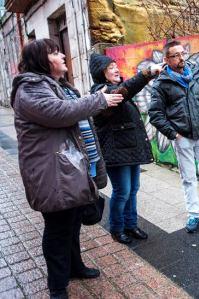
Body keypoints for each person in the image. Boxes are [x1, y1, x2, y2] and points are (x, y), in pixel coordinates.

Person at [10, 39, 124, 299]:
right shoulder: (31, 88)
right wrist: (99, 100)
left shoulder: (58, 85)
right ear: (42, 60)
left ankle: (75, 267)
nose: (62, 55)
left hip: (68, 167)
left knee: (72, 223)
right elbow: (60, 112)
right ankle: (57, 287)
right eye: (54, 52)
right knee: (58, 228)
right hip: (51, 171)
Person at [148, 40, 199, 233]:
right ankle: (194, 214)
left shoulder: (197, 76)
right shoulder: (161, 83)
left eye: (182, 53)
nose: (181, 58)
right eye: (176, 55)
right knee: (188, 178)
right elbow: (155, 114)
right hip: (182, 137)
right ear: (166, 59)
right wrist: (173, 134)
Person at [89, 53, 162, 244]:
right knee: (122, 191)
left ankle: (131, 225)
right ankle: (117, 228)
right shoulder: (101, 93)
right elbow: (125, 90)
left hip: (130, 149)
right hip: (116, 151)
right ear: (101, 73)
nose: (116, 69)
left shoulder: (117, 90)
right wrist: (147, 74)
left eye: (115, 66)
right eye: (110, 67)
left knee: (133, 189)